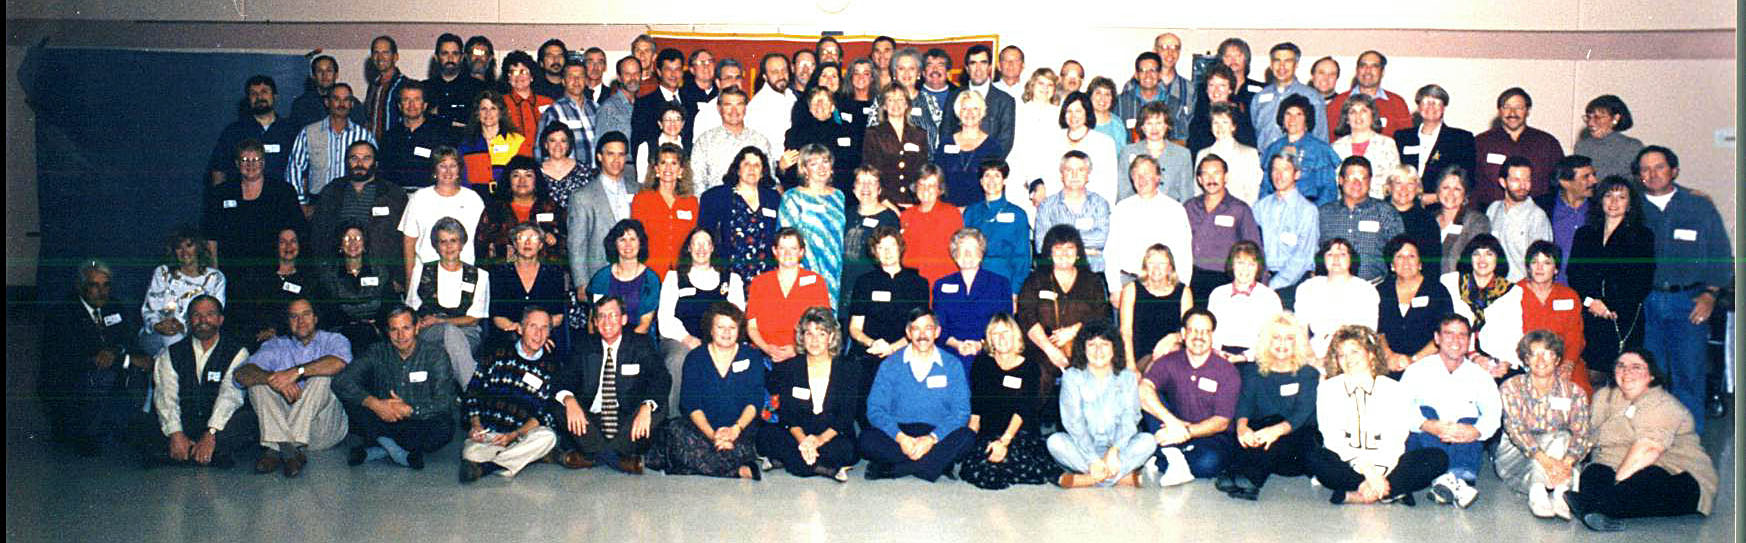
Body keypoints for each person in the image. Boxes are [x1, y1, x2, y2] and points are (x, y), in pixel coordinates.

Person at [1564, 351, 1719, 531]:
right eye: (1621, 366)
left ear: (1651, 375)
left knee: (1646, 480)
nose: (1626, 372)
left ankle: (1598, 505)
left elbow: (1648, 450)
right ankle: (1599, 508)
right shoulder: (1604, 397)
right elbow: (1589, 436)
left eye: (1636, 367)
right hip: (1616, 465)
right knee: (1594, 473)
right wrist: (1565, 464)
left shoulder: (1662, 403)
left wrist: (1617, 483)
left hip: (1675, 472)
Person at [1636, 146, 1732, 431]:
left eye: (1659, 167)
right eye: (1645, 169)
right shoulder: (1634, 208)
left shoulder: (1698, 206)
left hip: (1689, 302)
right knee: (1649, 375)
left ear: (1674, 171)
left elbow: (1720, 253)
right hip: (1647, 301)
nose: (1652, 174)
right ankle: (1651, 440)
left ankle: (1688, 444)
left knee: (1689, 376)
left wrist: (1711, 294)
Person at [1308, 325, 1449, 504]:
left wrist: (1379, 472)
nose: (1348, 359)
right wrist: (1367, 470)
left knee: (1437, 458)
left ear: (1371, 354)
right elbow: (1333, 438)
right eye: (1342, 355)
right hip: (1349, 463)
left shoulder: (1394, 389)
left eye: (1355, 352)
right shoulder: (1328, 389)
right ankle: (1389, 491)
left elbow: (1396, 438)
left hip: (1387, 463)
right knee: (1316, 457)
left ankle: (1359, 494)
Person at [232, 298, 351, 478]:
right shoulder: (276, 345)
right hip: (283, 423)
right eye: (294, 316)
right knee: (258, 385)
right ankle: (290, 451)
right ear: (288, 321)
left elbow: (338, 363)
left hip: (323, 430)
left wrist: (297, 372)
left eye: (306, 314)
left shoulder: (334, 340)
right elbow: (241, 374)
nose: (300, 321)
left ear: (316, 318)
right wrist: (272, 379)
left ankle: (278, 448)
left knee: (321, 378)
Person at [42, 260, 148, 456]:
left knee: (144, 366)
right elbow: (66, 359)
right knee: (102, 376)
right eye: (94, 285)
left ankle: (129, 424)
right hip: (72, 383)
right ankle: (86, 434)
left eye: (106, 285)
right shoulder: (62, 314)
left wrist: (117, 353)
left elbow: (128, 340)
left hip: (112, 377)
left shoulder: (114, 306)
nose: (102, 291)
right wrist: (118, 359)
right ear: (81, 287)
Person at [552, 297, 669, 473]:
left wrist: (646, 406)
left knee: (659, 406)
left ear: (623, 319)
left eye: (613, 315)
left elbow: (661, 377)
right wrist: (569, 399)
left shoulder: (639, 343)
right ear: (595, 321)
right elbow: (562, 378)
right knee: (558, 403)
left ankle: (592, 455)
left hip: (627, 421)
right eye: (601, 316)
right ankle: (618, 459)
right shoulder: (583, 345)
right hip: (591, 422)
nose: (607, 322)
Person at [651, 302, 767, 479]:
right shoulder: (695, 358)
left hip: (740, 428)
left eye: (732, 327)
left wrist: (735, 430)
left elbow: (755, 401)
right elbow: (691, 404)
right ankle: (737, 470)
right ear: (711, 330)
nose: (726, 333)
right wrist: (713, 435)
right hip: (703, 428)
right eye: (720, 327)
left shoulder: (752, 357)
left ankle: (692, 466)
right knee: (676, 431)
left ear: (739, 330)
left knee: (748, 442)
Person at [1400, 313, 1503, 508]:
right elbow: (1400, 406)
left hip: (1462, 443)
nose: (1456, 340)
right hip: (1425, 443)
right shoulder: (1417, 370)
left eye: (1462, 335)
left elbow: (1493, 414)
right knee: (1426, 410)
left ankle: (1449, 480)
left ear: (1469, 340)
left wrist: (1475, 431)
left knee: (1471, 420)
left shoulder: (1480, 376)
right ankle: (1458, 482)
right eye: (1449, 334)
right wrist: (1427, 424)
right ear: (1437, 338)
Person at [860, 309, 975, 481]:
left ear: (937, 332)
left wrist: (931, 439)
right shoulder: (890, 364)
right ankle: (934, 466)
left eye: (928, 328)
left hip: (937, 432)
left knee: (968, 437)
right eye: (916, 329)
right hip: (899, 431)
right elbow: (875, 409)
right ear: (908, 333)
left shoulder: (952, 365)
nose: (922, 335)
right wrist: (901, 438)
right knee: (866, 440)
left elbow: (961, 411)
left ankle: (896, 469)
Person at [334, 305, 454, 470]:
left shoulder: (435, 355)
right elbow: (341, 380)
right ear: (387, 331)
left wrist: (410, 410)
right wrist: (375, 404)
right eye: (394, 330)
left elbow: (444, 401)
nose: (400, 336)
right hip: (382, 416)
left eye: (406, 328)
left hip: (418, 419)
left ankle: (381, 448)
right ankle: (399, 452)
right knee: (352, 402)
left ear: (417, 327)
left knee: (444, 428)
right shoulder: (377, 351)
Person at [143, 295, 255, 468]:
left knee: (244, 423)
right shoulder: (171, 353)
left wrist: (211, 433)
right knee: (145, 426)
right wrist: (176, 433)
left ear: (220, 319)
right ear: (189, 320)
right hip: (185, 420)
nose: (203, 320)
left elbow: (230, 396)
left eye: (210, 314)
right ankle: (193, 449)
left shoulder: (237, 352)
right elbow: (166, 396)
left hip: (219, 423)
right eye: (196, 315)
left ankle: (193, 451)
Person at [1221, 311, 1321, 500]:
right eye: (1276, 338)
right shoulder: (1252, 371)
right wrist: (1242, 428)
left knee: (1275, 424)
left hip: (1296, 444)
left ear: (1297, 343)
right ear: (1267, 341)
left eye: (1289, 338)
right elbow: (1245, 403)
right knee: (1251, 430)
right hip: (1262, 437)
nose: (1282, 344)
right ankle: (1244, 477)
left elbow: (1302, 414)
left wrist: (1275, 431)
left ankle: (1250, 478)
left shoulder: (1308, 374)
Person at [956, 312, 1062, 490]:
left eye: (1006, 333)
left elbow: (1025, 408)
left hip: (1019, 432)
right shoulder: (982, 363)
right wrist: (970, 438)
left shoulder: (1030, 366)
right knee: (977, 470)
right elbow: (977, 404)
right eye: (995, 334)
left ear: (1015, 336)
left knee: (1016, 461)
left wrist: (1005, 441)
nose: (1001, 338)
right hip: (989, 432)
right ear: (989, 339)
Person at [1494, 331, 1592, 519]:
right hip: (1516, 460)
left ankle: (1555, 493)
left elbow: (1582, 433)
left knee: (1562, 437)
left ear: (1557, 359)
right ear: (1526, 359)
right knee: (1557, 437)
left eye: (1547, 353)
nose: (1541, 359)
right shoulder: (1511, 387)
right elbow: (1516, 430)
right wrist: (1551, 464)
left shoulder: (1574, 392)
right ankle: (1546, 492)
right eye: (1533, 354)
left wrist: (1566, 463)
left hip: (1559, 461)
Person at [1567, 176, 1654, 385]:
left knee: (1622, 377)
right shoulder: (1585, 234)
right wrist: (1591, 302)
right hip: (1590, 313)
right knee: (1591, 375)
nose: (1614, 203)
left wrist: (1611, 306)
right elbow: (1575, 274)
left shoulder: (1642, 236)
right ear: (1600, 200)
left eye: (1621, 197)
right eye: (1608, 196)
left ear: (1630, 203)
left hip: (1623, 315)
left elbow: (1642, 280)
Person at [758, 308, 862, 481]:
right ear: (802, 337)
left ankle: (792, 462)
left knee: (847, 449)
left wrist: (819, 440)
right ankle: (824, 468)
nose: (815, 340)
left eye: (821, 334)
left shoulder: (848, 369)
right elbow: (788, 415)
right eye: (809, 334)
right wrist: (803, 440)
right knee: (766, 437)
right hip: (798, 433)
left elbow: (846, 416)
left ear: (831, 337)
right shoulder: (789, 368)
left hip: (831, 435)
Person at [458, 306, 560, 482]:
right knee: (470, 452)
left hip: (521, 435)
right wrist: (475, 425)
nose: (538, 334)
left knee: (548, 437)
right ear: (520, 329)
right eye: (532, 327)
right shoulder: (496, 354)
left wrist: (515, 435)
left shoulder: (552, 367)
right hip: (490, 433)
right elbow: (473, 391)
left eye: (544, 328)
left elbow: (545, 413)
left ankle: (489, 467)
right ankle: (519, 459)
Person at [1140, 308, 1240, 486]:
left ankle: (1163, 455)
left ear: (1212, 336)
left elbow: (1222, 421)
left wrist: (1186, 432)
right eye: (1193, 330)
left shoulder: (1227, 371)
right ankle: (1172, 455)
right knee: (1149, 396)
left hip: (1210, 435)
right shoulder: (1169, 361)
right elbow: (1144, 389)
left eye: (1205, 331)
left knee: (1209, 463)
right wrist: (1172, 422)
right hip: (1172, 425)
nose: (1199, 336)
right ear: (1184, 334)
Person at [1049, 323, 1155, 488]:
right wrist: (1093, 459)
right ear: (1083, 349)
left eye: (1104, 344)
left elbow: (1130, 418)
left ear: (1114, 349)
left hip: (1119, 451)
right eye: (1091, 345)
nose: (1098, 351)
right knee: (1055, 442)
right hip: (1083, 450)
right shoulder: (1071, 377)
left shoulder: (1127, 378)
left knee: (1148, 441)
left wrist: (1114, 451)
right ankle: (1119, 478)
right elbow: (1073, 422)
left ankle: (1087, 480)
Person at [1479, 241, 1592, 392]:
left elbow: (1575, 335)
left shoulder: (1568, 296)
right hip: (1526, 361)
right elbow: (1505, 337)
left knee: (1578, 390)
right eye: (1534, 262)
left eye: (1546, 262)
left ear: (1556, 269)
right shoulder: (1513, 292)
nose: (1539, 268)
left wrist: (1568, 363)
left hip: (1562, 360)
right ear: (1528, 267)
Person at [657, 228, 747, 411]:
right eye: (696, 243)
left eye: (706, 243)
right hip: (680, 340)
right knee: (678, 359)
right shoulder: (674, 277)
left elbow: (737, 318)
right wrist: (688, 339)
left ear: (713, 248)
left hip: (720, 340)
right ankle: (674, 418)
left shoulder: (732, 280)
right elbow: (665, 319)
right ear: (688, 248)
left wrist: (715, 344)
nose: (701, 248)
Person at [1019, 225, 1112, 393]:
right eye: (1058, 249)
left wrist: (1074, 330)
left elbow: (1102, 316)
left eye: (1070, 248)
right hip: (1041, 348)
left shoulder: (1092, 281)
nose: (1064, 254)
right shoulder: (1035, 280)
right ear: (1049, 252)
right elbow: (1027, 317)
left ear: (1078, 253)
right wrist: (1051, 350)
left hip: (1083, 347)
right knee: (1037, 374)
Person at [204, 140, 308, 283]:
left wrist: (289, 268)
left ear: (263, 163)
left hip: (273, 272)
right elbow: (211, 239)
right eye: (245, 160)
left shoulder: (282, 191)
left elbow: (296, 233)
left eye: (256, 160)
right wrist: (215, 275)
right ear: (236, 163)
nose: (250, 165)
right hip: (232, 273)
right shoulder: (221, 193)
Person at [404, 218, 490, 387]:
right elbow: (410, 310)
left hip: (466, 333)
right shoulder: (421, 271)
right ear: (436, 245)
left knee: (449, 339)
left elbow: (473, 319)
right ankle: (473, 392)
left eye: (453, 241)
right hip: (430, 332)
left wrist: (441, 321)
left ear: (462, 244)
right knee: (447, 335)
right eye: (443, 242)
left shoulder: (479, 275)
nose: (449, 247)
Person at [310, 140, 408, 285]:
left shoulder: (394, 195)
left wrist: (399, 277)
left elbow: (404, 241)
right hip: (337, 275)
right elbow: (318, 237)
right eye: (354, 158)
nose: (359, 163)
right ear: (346, 162)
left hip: (383, 275)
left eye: (366, 158)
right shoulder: (331, 191)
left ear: (376, 163)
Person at [1106, 154, 1194, 297]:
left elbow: (1183, 253)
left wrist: (1183, 289)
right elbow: (1111, 251)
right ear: (1132, 178)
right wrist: (1114, 288)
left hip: (1164, 284)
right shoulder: (1121, 209)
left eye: (1147, 174)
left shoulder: (1175, 210)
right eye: (1137, 174)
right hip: (1126, 283)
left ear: (1158, 178)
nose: (1142, 179)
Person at [847, 227, 930, 371]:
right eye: (881, 247)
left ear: (900, 248)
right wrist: (873, 343)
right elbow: (855, 328)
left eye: (891, 246)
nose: (887, 252)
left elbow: (919, 327)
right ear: (875, 252)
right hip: (870, 353)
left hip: (906, 353)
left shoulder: (918, 283)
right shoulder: (864, 282)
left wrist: (892, 348)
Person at [566, 131, 643, 287]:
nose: (616, 160)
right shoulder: (582, 196)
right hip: (600, 274)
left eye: (621, 155)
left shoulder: (638, 190)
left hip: (635, 274)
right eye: (610, 154)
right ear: (599, 156)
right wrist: (581, 282)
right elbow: (577, 244)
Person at [744, 229, 832, 363]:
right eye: (782, 248)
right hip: (763, 355)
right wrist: (767, 348)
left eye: (793, 248)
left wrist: (796, 348)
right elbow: (752, 326)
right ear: (775, 251)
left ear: (801, 252)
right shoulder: (759, 283)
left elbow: (823, 325)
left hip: (802, 355)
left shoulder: (816, 282)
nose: (787, 253)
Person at [398, 145, 485, 281]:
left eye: (453, 166)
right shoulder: (419, 198)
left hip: (465, 274)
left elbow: (482, 241)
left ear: (459, 170)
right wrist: (410, 279)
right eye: (442, 165)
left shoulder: (473, 199)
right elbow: (409, 241)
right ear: (434, 170)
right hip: (425, 274)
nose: (448, 171)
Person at [1185, 155, 1262, 307]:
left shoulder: (1239, 209)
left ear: (1225, 177)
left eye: (1216, 173)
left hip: (1225, 279)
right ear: (1199, 179)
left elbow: (1255, 250)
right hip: (1193, 278)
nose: (1211, 178)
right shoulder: (1189, 207)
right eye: (1206, 174)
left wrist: (1259, 285)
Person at [697, 146, 783, 282]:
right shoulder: (716, 197)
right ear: (738, 169)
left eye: (757, 165)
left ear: (762, 172)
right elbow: (705, 234)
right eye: (747, 164)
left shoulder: (773, 199)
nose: (752, 169)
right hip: (728, 273)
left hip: (765, 274)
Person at [140, 230, 228, 357]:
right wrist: (158, 325)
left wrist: (184, 327)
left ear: (198, 247)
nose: (184, 252)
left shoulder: (215, 278)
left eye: (189, 246)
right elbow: (150, 309)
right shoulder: (162, 272)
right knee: (173, 340)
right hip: (158, 336)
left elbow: (213, 316)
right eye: (178, 248)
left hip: (198, 335)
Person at [779, 144, 849, 304]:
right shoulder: (792, 197)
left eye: (825, 161)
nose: (821, 167)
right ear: (804, 169)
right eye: (813, 163)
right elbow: (785, 238)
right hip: (804, 269)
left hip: (834, 271)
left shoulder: (839, 196)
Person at [1318, 156, 1406, 282]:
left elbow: (1400, 252)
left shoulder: (1386, 212)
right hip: (1331, 288)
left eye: (1363, 178)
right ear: (1341, 180)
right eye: (1351, 178)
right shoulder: (1324, 213)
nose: (1357, 183)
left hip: (1376, 286)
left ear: (1370, 181)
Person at [287, 83, 375, 205]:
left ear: (351, 104)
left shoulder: (364, 135)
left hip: (354, 201)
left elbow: (374, 168)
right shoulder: (309, 132)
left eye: (346, 100)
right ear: (327, 102)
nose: (341, 104)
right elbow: (294, 169)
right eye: (336, 99)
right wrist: (301, 202)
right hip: (318, 201)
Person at [1472, 88, 1563, 208]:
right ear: (1499, 111)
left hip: (1537, 214)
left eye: (1519, 107)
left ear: (1528, 111)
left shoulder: (1547, 143)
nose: (1512, 113)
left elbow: (1560, 183)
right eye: (1506, 107)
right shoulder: (1481, 142)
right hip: (1489, 215)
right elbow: (1470, 184)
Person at [932, 229, 1014, 360]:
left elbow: (1005, 325)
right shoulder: (941, 285)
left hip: (989, 352)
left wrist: (981, 345)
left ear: (981, 253)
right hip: (950, 351)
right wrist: (957, 345)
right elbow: (938, 325)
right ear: (955, 254)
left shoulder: (1000, 284)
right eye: (962, 249)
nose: (967, 254)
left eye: (973, 249)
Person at [1376, 236, 1453, 373]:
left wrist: (1414, 360)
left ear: (1420, 263)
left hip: (1428, 364)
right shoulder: (1382, 291)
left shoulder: (1437, 291)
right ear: (1392, 265)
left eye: (1411, 256)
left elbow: (1445, 333)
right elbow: (1378, 331)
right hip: (1389, 363)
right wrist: (1389, 356)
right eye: (1399, 256)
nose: (1406, 262)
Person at [487, 223, 571, 347]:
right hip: (509, 335)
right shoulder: (500, 273)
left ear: (541, 245)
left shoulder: (554, 273)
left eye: (533, 238)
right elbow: (497, 317)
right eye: (521, 238)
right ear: (515, 244)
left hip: (543, 337)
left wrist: (538, 332)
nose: (527, 243)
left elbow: (558, 316)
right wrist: (520, 331)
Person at [316, 224, 396, 348]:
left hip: (377, 330)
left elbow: (389, 304)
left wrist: (376, 324)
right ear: (340, 245)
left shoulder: (380, 271)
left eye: (358, 238)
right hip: (343, 332)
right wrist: (356, 323)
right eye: (347, 239)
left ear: (364, 244)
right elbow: (329, 311)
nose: (352, 243)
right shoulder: (329, 275)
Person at [208, 75, 298, 186]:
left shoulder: (291, 131)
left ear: (275, 96)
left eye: (264, 92)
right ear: (248, 99)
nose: (259, 97)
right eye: (253, 94)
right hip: (243, 199)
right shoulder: (234, 131)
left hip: (282, 198)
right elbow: (219, 170)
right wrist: (218, 199)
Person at [1296, 238, 1380, 356]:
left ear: (1351, 259)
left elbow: (1369, 334)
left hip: (1353, 353)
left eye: (1342, 254)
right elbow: (1300, 331)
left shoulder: (1366, 290)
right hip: (1317, 352)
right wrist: (1311, 358)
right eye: (1330, 254)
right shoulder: (1308, 288)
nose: (1336, 259)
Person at [1252, 153, 1319, 300]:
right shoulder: (1260, 207)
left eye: (1285, 170)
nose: (1279, 175)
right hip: (1263, 278)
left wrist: (1272, 286)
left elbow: (1303, 256)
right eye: (1275, 169)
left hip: (1293, 283)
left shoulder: (1307, 210)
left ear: (1297, 174)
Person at [227, 228, 311, 344]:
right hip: (259, 338)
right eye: (282, 242)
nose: (288, 246)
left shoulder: (308, 279)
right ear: (275, 246)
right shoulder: (259, 277)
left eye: (293, 241)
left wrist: (278, 332)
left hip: (295, 339)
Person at [959, 160, 1030, 297]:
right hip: (974, 278)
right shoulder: (971, 212)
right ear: (980, 181)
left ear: (1005, 181)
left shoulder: (1018, 214)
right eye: (987, 175)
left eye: (997, 175)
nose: (991, 180)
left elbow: (1022, 257)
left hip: (1005, 279)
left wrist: (1015, 291)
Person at [1035, 151, 1112, 274]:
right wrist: (1086, 250)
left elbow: (1102, 239)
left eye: (1080, 170)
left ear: (1088, 175)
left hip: (1093, 273)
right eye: (1069, 170)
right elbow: (1041, 245)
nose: (1074, 175)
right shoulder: (1047, 206)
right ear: (1061, 175)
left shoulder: (1100, 204)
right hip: (1056, 274)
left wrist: (1060, 245)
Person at [631, 143, 700, 279]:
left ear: (681, 171)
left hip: (683, 273)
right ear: (656, 169)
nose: (668, 168)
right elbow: (636, 238)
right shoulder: (642, 200)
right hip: (650, 272)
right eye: (663, 162)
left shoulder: (691, 202)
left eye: (673, 163)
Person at [478, 156, 565, 262]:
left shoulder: (550, 207)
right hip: (503, 273)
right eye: (516, 175)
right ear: (508, 180)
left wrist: (555, 239)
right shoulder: (495, 210)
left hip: (546, 272)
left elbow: (569, 240)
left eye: (528, 175)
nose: (522, 180)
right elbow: (481, 245)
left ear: (536, 180)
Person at [1395, 84, 1476, 196]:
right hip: (1405, 201)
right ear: (1418, 108)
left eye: (1437, 103)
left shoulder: (1461, 138)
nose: (1431, 107)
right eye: (1426, 102)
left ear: (1444, 108)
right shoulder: (1402, 137)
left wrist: (1435, 197)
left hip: (1444, 203)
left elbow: (1467, 178)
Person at [1259, 95, 1340, 206]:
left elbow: (1328, 191)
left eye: (1299, 114)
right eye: (1288, 114)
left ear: (1307, 119)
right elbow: (1265, 187)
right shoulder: (1274, 148)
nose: (1292, 119)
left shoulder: (1319, 149)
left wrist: (1313, 213)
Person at [1120, 244, 1191, 371]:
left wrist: (1173, 338)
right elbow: (1126, 332)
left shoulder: (1183, 292)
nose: (1156, 268)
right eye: (1151, 263)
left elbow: (1189, 330)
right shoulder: (1131, 289)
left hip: (1171, 351)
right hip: (1139, 356)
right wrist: (1131, 366)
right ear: (1145, 266)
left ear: (1170, 267)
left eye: (1162, 263)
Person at [584, 219, 661, 336]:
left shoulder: (651, 279)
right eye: (622, 240)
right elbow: (593, 322)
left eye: (633, 239)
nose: (628, 245)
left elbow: (644, 325)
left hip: (638, 341)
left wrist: (621, 346)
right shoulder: (601, 278)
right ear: (614, 244)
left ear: (640, 243)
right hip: (605, 339)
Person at [379, 81, 461, 189]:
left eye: (417, 99)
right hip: (397, 197)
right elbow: (384, 175)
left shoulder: (441, 134)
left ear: (425, 105)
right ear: (399, 105)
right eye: (406, 99)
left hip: (432, 195)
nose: (411, 105)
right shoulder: (390, 137)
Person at [1485, 156, 1555, 282]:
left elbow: (1542, 263)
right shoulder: (1493, 209)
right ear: (1503, 182)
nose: (1523, 186)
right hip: (1492, 287)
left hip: (1522, 289)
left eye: (1527, 180)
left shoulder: (1537, 216)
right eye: (1516, 180)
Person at [1206, 241, 1280, 358]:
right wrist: (1218, 353)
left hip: (1255, 358)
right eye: (1240, 263)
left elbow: (1271, 338)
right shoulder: (1217, 294)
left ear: (1258, 268)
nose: (1245, 269)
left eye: (1251, 264)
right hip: (1219, 356)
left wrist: (1244, 356)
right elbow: (1210, 331)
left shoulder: (1269, 297)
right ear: (1232, 265)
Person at [692, 86, 775, 192]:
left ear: (745, 108)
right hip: (716, 203)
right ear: (719, 108)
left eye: (739, 105)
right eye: (728, 105)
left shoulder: (760, 141)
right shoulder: (705, 141)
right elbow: (697, 182)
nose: (734, 111)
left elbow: (770, 180)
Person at [1043, 92, 1121, 204]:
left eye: (1078, 111)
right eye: (1069, 111)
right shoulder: (1052, 140)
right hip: (1057, 205)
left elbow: (1109, 184)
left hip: (1092, 206)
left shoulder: (1104, 142)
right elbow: (1048, 175)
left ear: (1087, 113)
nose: (1073, 116)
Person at [1249, 42, 1329, 150]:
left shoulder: (1312, 97)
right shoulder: (1259, 97)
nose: (1282, 66)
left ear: (1296, 65)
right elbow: (1255, 132)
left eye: (1287, 61)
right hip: (1264, 161)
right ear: (1271, 65)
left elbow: (1321, 137)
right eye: (1277, 61)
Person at [943, 45, 1016, 160]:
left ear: (990, 67)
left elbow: (1005, 142)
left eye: (983, 63)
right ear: (967, 68)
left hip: (988, 171)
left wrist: (987, 169)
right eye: (973, 63)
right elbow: (945, 133)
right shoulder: (953, 96)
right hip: (957, 167)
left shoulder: (1005, 101)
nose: (978, 68)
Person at [863, 83, 930, 207]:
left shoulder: (920, 134)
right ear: (884, 105)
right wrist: (888, 204)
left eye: (900, 99)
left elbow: (923, 172)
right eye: (890, 100)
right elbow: (871, 173)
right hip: (884, 203)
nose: (896, 104)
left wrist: (917, 202)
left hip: (914, 203)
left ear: (906, 105)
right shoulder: (874, 134)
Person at [783, 85, 859, 190]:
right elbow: (791, 172)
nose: (819, 105)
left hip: (842, 190)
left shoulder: (849, 130)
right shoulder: (796, 134)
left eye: (823, 101)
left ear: (832, 107)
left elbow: (855, 165)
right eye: (815, 102)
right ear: (809, 108)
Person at [937, 90, 1004, 206]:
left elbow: (997, 185)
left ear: (982, 112)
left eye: (975, 108)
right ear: (958, 112)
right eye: (964, 108)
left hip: (980, 212)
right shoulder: (945, 144)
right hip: (948, 210)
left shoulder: (993, 147)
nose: (969, 113)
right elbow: (937, 180)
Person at [1324, 51, 1412, 138]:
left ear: (1382, 72)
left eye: (1374, 66)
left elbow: (1406, 140)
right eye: (1363, 66)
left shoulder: (1397, 103)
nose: (1368, 70)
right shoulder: (1338, 103)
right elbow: (1329, 140)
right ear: (1357, 70)